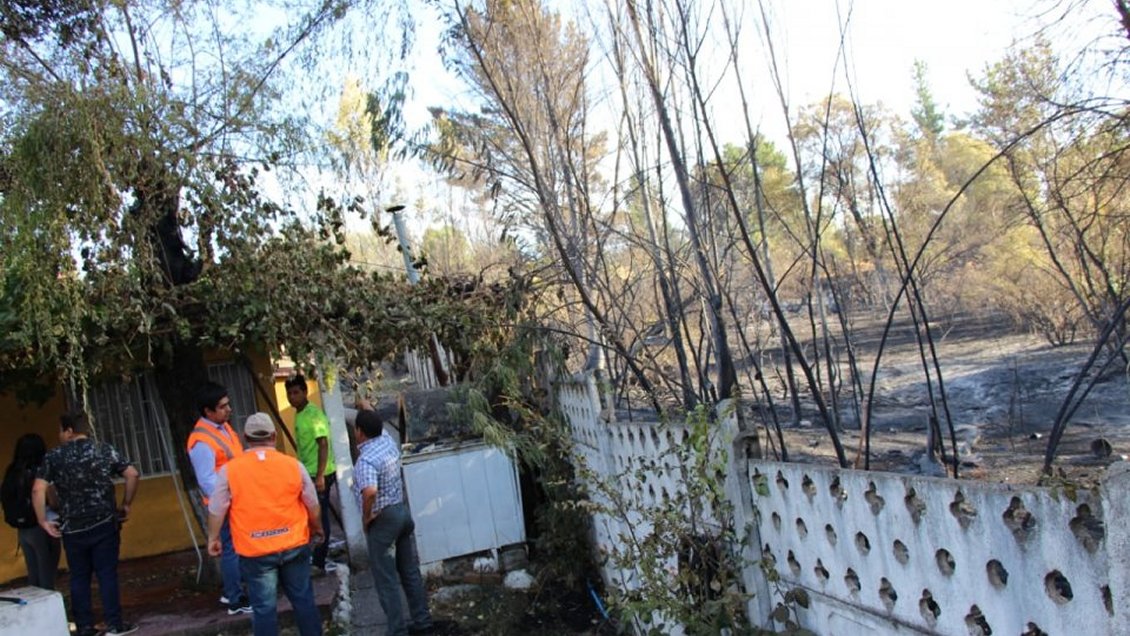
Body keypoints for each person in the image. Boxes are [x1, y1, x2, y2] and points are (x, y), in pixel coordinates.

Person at [207, 413, 323, 636]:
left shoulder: (230, 470)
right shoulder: (293, 465)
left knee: (263, 609)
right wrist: (316, 527)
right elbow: (312, 502)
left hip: (255, 551)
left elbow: (216, 508)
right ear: (274, 436)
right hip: (294, 544)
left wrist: (213, 538)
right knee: (304, 601)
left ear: (245, 438)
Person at [33, 412, 139, 636]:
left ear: (69, 430)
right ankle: (114, 624)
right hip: (104, 523)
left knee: (79, 576)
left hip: (73, 528)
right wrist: (126, 504)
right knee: (107, 573)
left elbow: (38, 489)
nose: (59, 435)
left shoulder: (54, 457)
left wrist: (43, 520)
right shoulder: (103, 449)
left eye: (60, 430)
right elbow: (132, 474)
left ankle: (84, 627)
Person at [353, 406, 434, 636]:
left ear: (359, 432)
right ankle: (423, 621)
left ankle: (397, 630)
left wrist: (366, 517)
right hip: (402, 514)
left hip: (383, 521)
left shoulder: (366, 461)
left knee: (386, 580)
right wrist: (366, 406)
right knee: (410, 572)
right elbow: (373, 417)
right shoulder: (387, 441)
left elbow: (369, 492)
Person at [188, 381, 252, 615]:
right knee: (231, 550)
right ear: (208, 411)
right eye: (223, 407)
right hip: (225, 504)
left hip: (234, 499)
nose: (229, 410)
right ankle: (235, 599)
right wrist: (231, 497)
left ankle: (234, 591)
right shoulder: (201, 441)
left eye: (228, 405)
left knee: (236, 549)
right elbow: (207, 480)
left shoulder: (223, 428)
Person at [284, 374, 338, 574]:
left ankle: (319, 563)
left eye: (296, 392)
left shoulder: (313, 414)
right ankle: (316, 558)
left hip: (319, 473)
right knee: (313, 515)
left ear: (305, 392)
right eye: (289, 393)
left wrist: (321, 475)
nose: (292, 397)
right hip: (309, 472)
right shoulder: (300, 413)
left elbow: (323, 443)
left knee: (320, 517)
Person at [2, 433, 60, 590]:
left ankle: (34, 608)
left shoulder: (12, 471)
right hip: (43, 524)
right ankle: (48, 611)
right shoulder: (41, 470)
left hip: (23, 529)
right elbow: (52, 500)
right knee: (47, 572)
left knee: (33, 574)